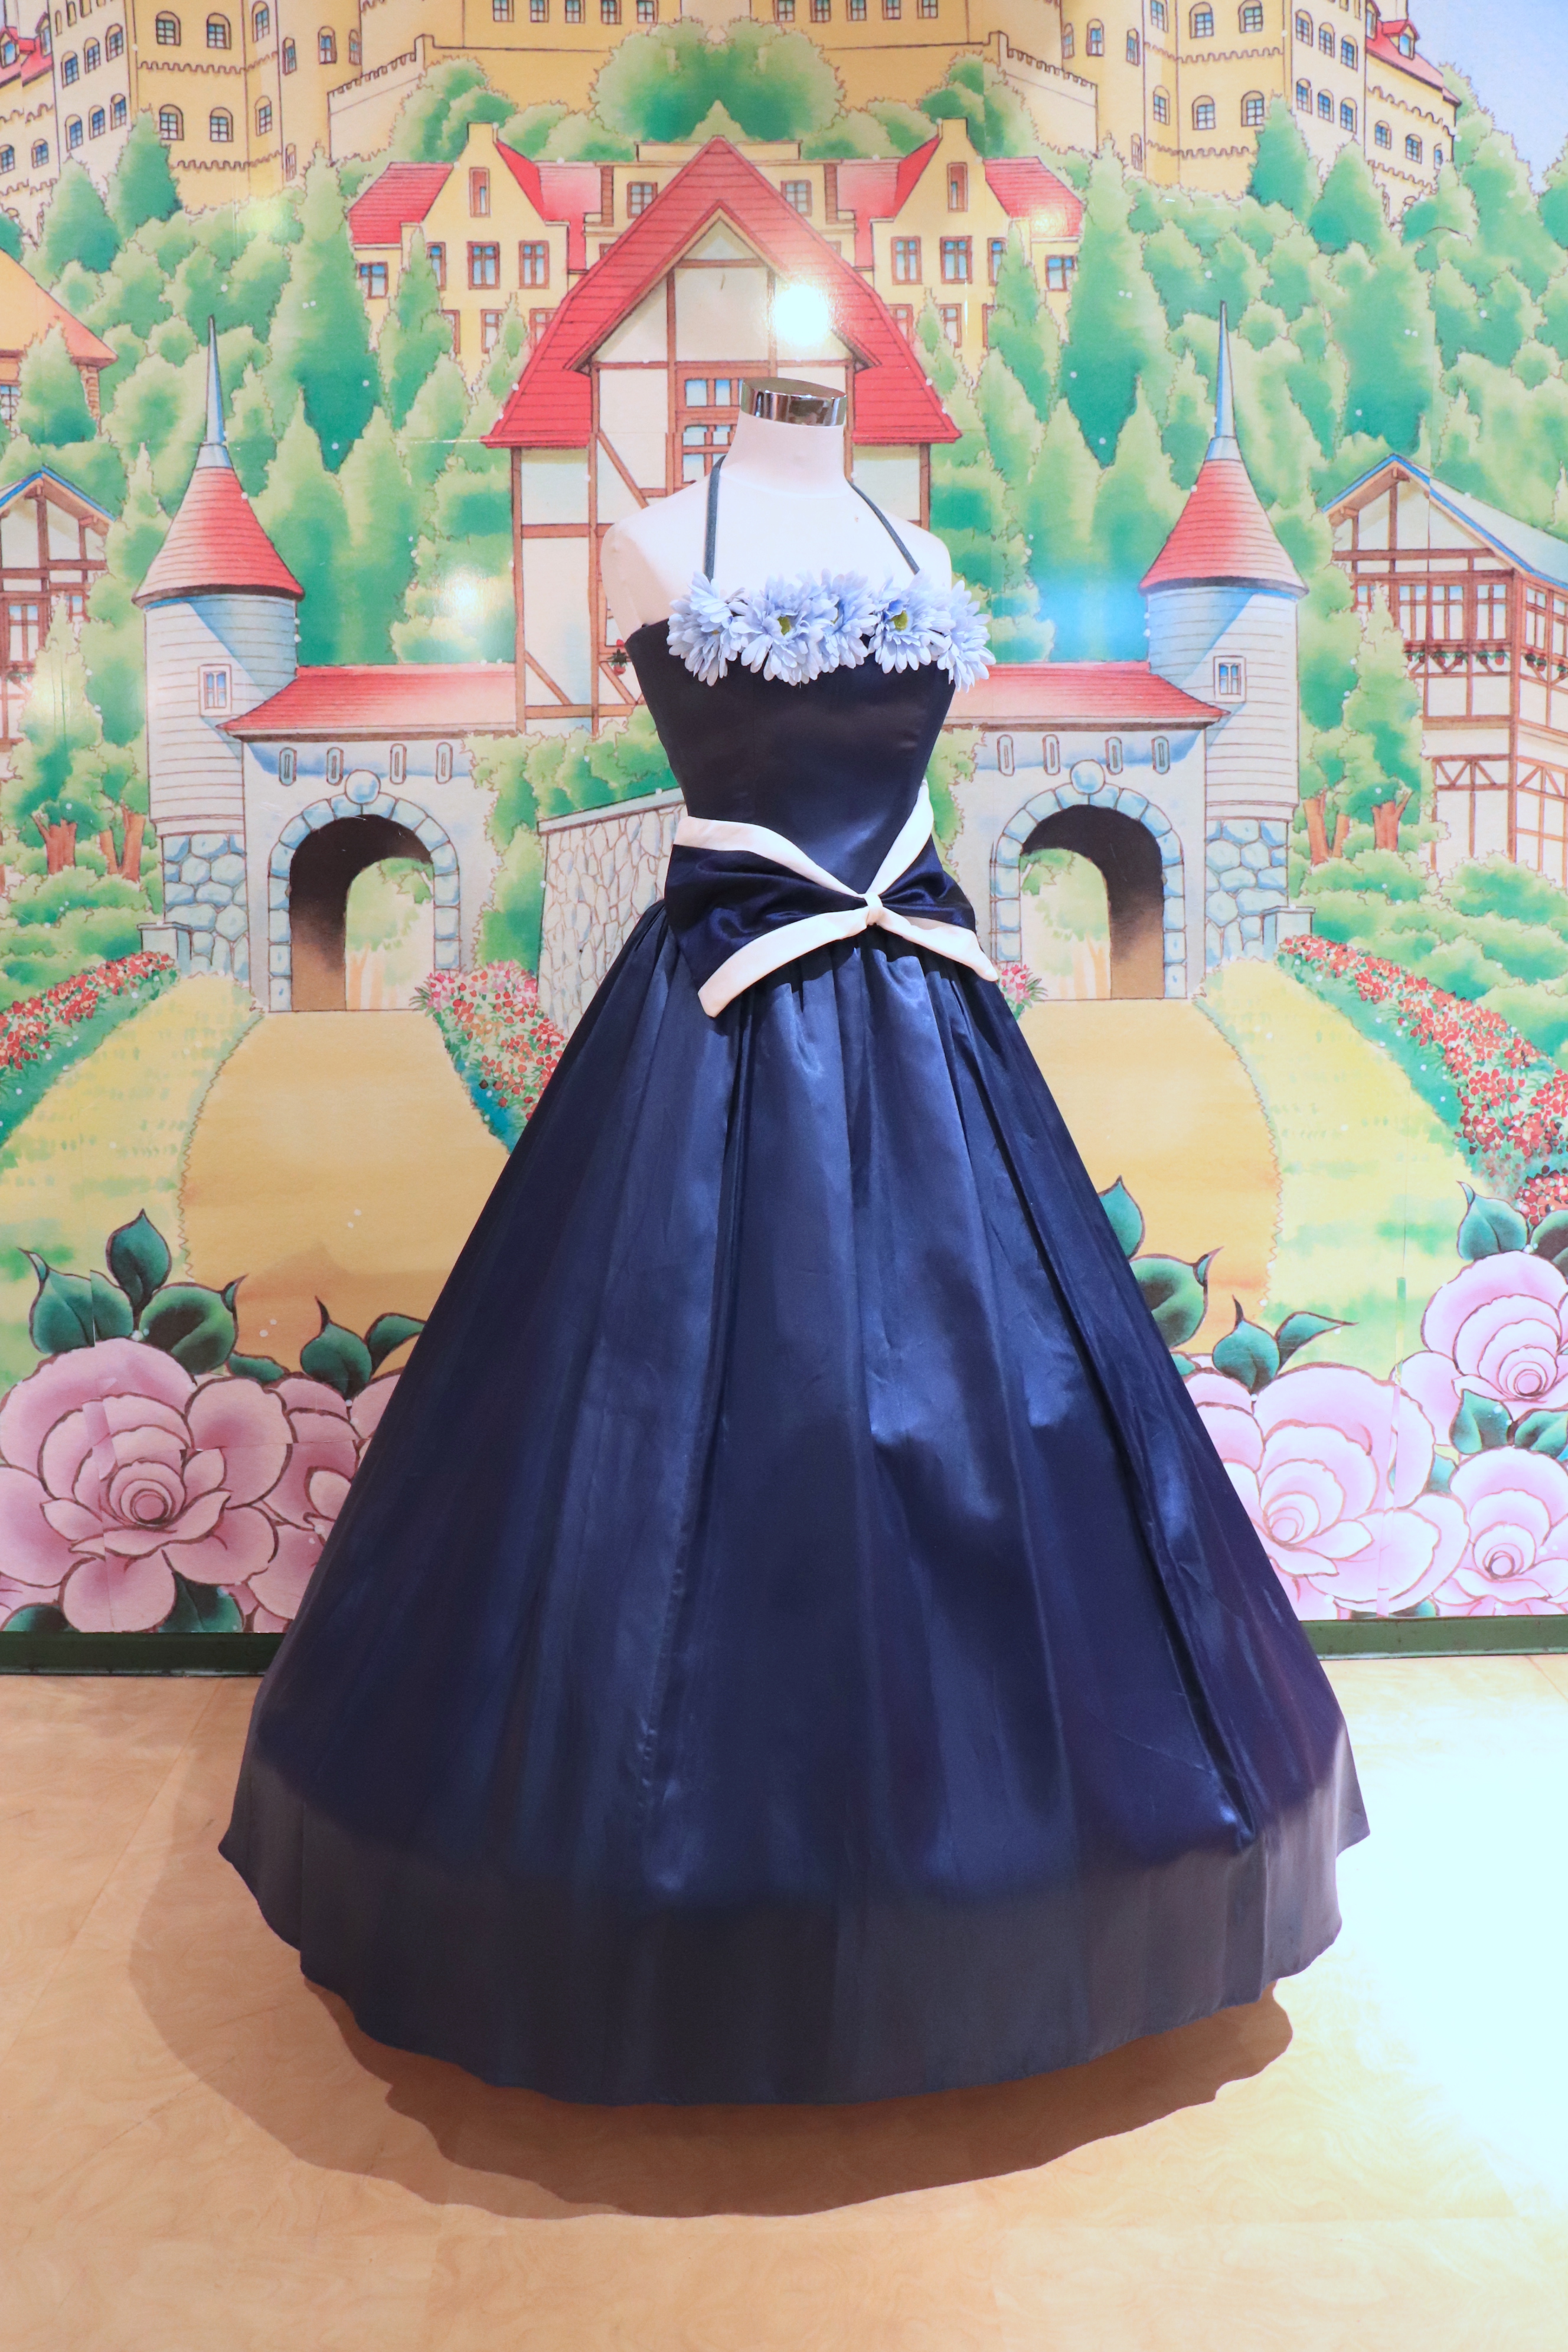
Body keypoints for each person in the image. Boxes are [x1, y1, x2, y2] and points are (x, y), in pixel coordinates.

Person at [223, 378, 1366, 2106]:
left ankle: (1007, 1859)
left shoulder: (917, 550)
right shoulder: (652, 539)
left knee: (999, 1409)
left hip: (918, 1007)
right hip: (719, 1023)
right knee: (661, 1410)